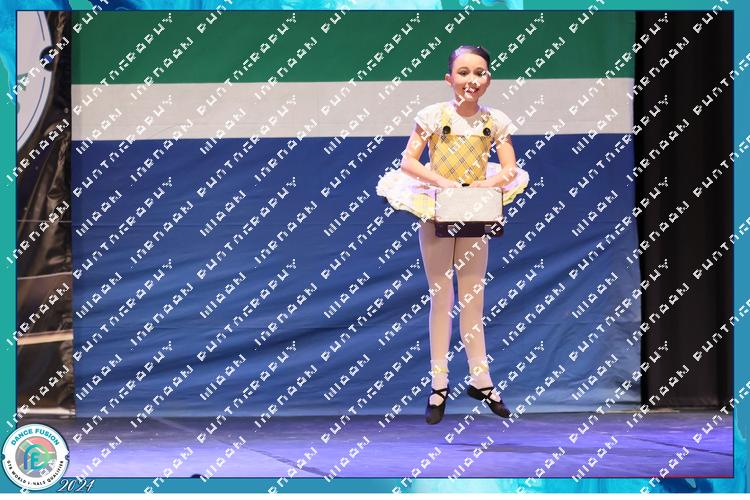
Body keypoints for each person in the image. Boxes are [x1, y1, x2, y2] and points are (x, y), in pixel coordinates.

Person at [376, 45, 529, 424]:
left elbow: (509, 168)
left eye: (479, 72)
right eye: (463, 73)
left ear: (488, 79)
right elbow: (408, 161)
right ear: (449, 79)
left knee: (473, 297)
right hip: (438, 207)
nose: (471, 80)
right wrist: (444, 184)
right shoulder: (433, 116)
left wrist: (483, 186)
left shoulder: (495, 121)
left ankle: (481, 378)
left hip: (474, 208)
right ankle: (439, 383)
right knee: (441, 296)